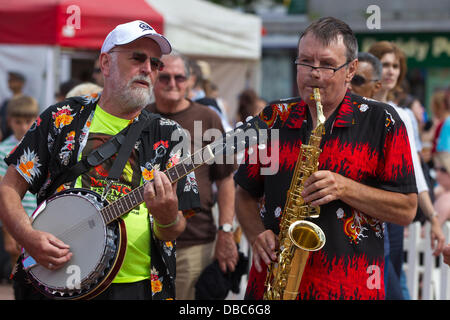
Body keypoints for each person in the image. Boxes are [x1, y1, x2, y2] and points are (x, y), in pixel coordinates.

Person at [0, 20, 200, 300]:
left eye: (155, 63)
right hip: (54, 280)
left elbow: (175, 229)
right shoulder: (62, 118)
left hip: (135, 286)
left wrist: (167, 218)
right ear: (106, 63)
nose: (148, 69)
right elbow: (8, 187)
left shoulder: (170, 135)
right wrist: (27, 237)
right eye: (138, 58)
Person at [234, 17, 418, 300]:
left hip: (350, 286)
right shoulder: (275, 118)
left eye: (327, 64)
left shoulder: (385, 122)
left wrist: (345, 187)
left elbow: (406, 209)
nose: (313, 73)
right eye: (305, 62)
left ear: (350, 70)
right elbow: (244, 194)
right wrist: (256, 233)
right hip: (273, 285)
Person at [350, 51, 445, 299]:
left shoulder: (399, 116)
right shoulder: (337, 114)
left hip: (384, 217)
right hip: (344, 225)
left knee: (391, 285)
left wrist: (433, 217)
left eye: (395, 65)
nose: (391, 70)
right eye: (386, 64)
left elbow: (414, 174)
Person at [147, 51, 238, 300]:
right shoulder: (140, 119)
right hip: (145, 244)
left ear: (190, 81)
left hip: (194, 244)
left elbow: (226, 179)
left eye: (180, 77)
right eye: (165, 78)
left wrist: (226, 232)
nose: (173, 84)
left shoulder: (207, 118)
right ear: (154, 78)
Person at [0, 96, 39, 294]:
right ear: (9, 122)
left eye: (28, 121)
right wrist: (8, 232)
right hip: (16, 222)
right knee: (21, 274)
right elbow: (3, 194)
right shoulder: (3, 151)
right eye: (18, 122)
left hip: (40, 219)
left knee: (38, 271)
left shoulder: (40, 146)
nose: (24, 127)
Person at [0, 72, 26, 141]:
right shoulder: (6, 103)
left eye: (13, 80)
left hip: (21, 139)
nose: (10, 82)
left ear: (21, 83)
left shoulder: (27, 103)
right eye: (9, 80)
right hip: (6, 141)